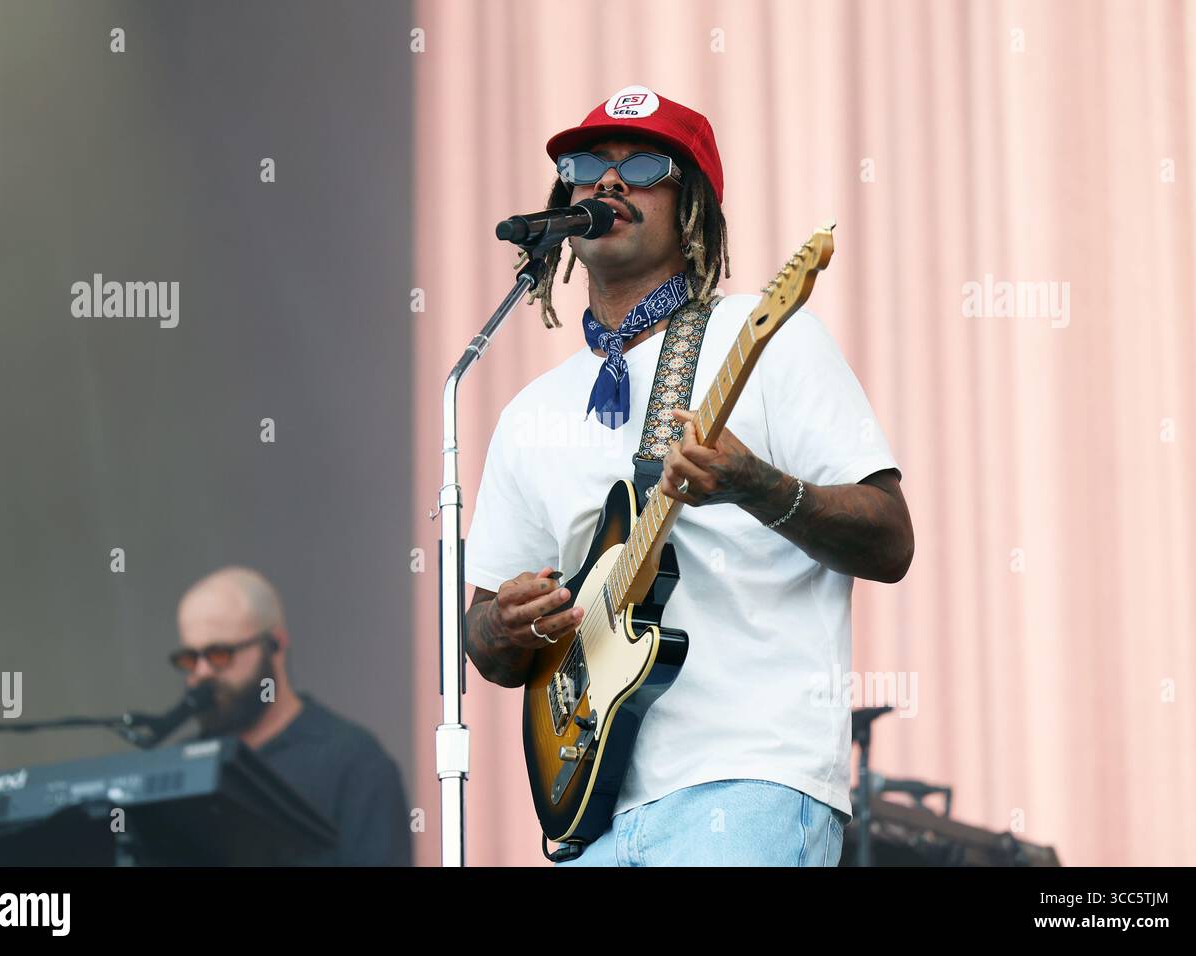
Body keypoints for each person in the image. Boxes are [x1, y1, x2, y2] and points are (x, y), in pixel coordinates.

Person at [463, 85, 914, 866]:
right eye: (585, 166)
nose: (607, 183)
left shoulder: (768, 338)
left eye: (642, 165)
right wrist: (506, 626)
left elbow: (890, 541)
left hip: (749, 781)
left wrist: (759, 487)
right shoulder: (530, 411)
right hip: (594, 818)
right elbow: (486, 637)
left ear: (694, 203)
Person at [173, 566, 411, 866]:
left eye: (220, 654)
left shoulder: (355, 764)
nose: (202, 673)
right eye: (189, 659)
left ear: (276, 644)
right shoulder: (181, 766)